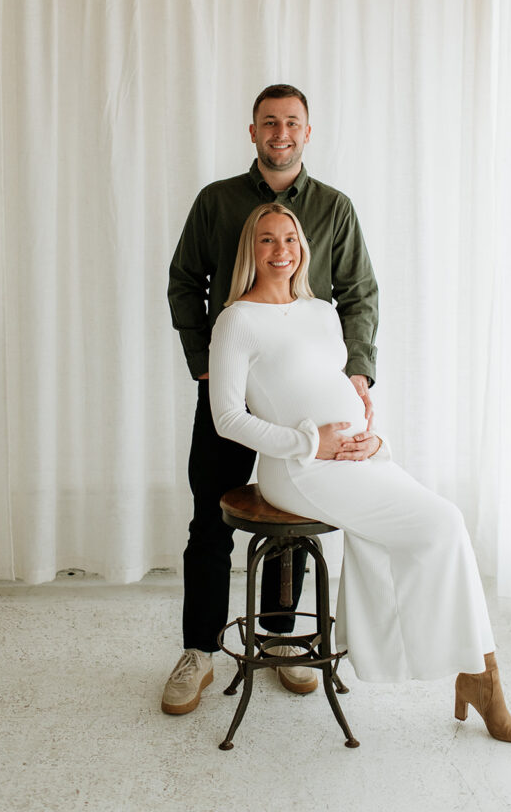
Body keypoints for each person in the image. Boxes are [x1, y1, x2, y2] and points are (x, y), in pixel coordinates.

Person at [208, 202, 511, 744]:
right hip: (296, 471)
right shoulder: (236, 320)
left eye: (289, 239)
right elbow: (227, 419)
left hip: (357, 457)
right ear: (251, 249)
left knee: (447, 525)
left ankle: (480, 678)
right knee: (443, 523)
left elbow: (339, 386)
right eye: (267, 240)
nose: (280, 251)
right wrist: (310, 443)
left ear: (302, 247)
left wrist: (373, 437)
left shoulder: (319, 311)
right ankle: (484, 682)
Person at [164, 85, 378, 715]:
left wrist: (358, 375)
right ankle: (198, 652)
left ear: (307, 132)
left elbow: (359, 294)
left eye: (292, 123)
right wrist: (207, 367)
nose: (280, 132)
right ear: (251, 130)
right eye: (269, 123)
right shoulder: (217, 201)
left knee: (293, 514)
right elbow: (184, 283)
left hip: (304, 401)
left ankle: (283, 638)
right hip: (230, 391)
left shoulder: (334, 208)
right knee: (210, 518)